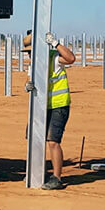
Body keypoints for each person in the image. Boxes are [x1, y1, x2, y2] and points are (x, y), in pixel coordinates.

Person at [23, 31, 76, 190]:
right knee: (33, 138)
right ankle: (37, 172)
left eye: (31, 52)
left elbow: (71, 58)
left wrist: (55, 43)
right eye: (28, 53)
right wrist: (27, 85)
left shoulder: (54, 57)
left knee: (53, 141)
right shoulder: (33, 65)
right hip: (40, 106)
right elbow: (28, 79)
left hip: (58, 105)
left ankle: (57, 178)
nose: (29, 55)